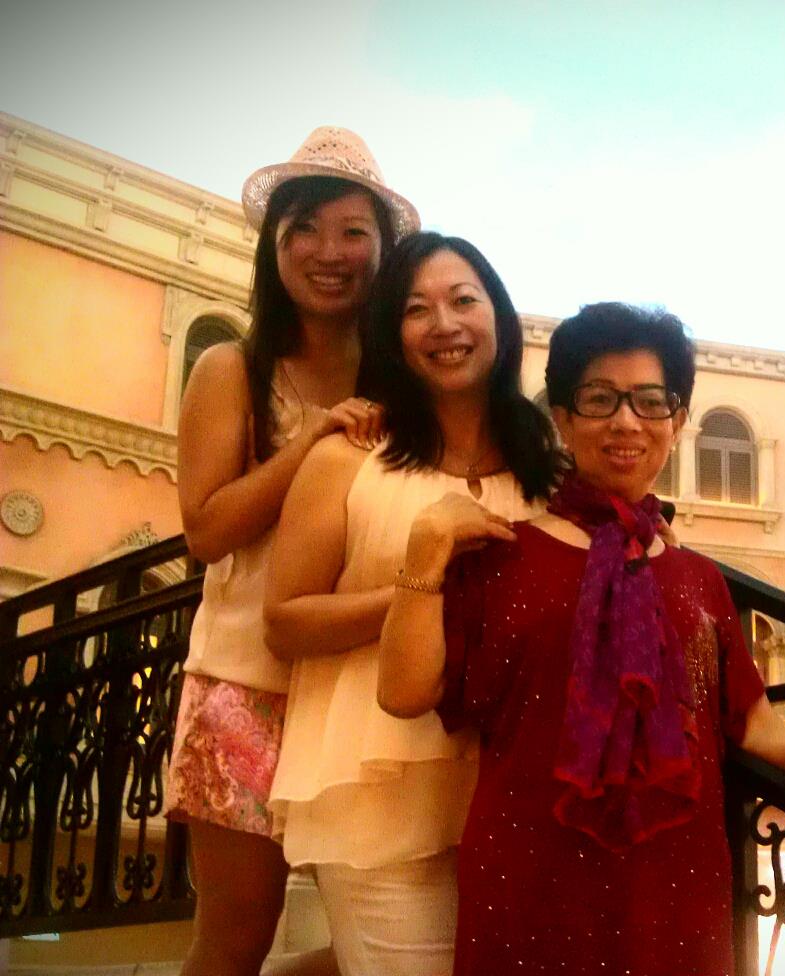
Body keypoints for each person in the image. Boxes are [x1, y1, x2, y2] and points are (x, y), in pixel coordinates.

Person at [376, 302, 785, 975]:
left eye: (650, 401)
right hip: (531, 881)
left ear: (677, 421)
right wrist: (425, 551)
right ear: (563, 418)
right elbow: (404, 693)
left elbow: (752, 723)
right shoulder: (499, 556)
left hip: (676, 888)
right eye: (599, 399)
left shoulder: (699, 579)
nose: (626, 421)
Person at [262, 232, 562, 975]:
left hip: (516, 794)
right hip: (379, 797)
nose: (444, 324)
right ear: (390, 333)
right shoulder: (347, 457)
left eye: (463, 300)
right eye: (416, 309)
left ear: (498, 315)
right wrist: (418, 588)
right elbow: (285, 620)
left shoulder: (548, 468)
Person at [165, 126, 415, 976]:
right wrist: (311, 440)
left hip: (361, 690)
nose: (328, 252)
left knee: (390, 940)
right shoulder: (232, 368)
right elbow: (206, 530)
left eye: (353, 231)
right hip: (245, 687)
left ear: (383, 251)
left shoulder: (403, 384)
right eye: (303, 228)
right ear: (273, 247)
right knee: (236, 936)